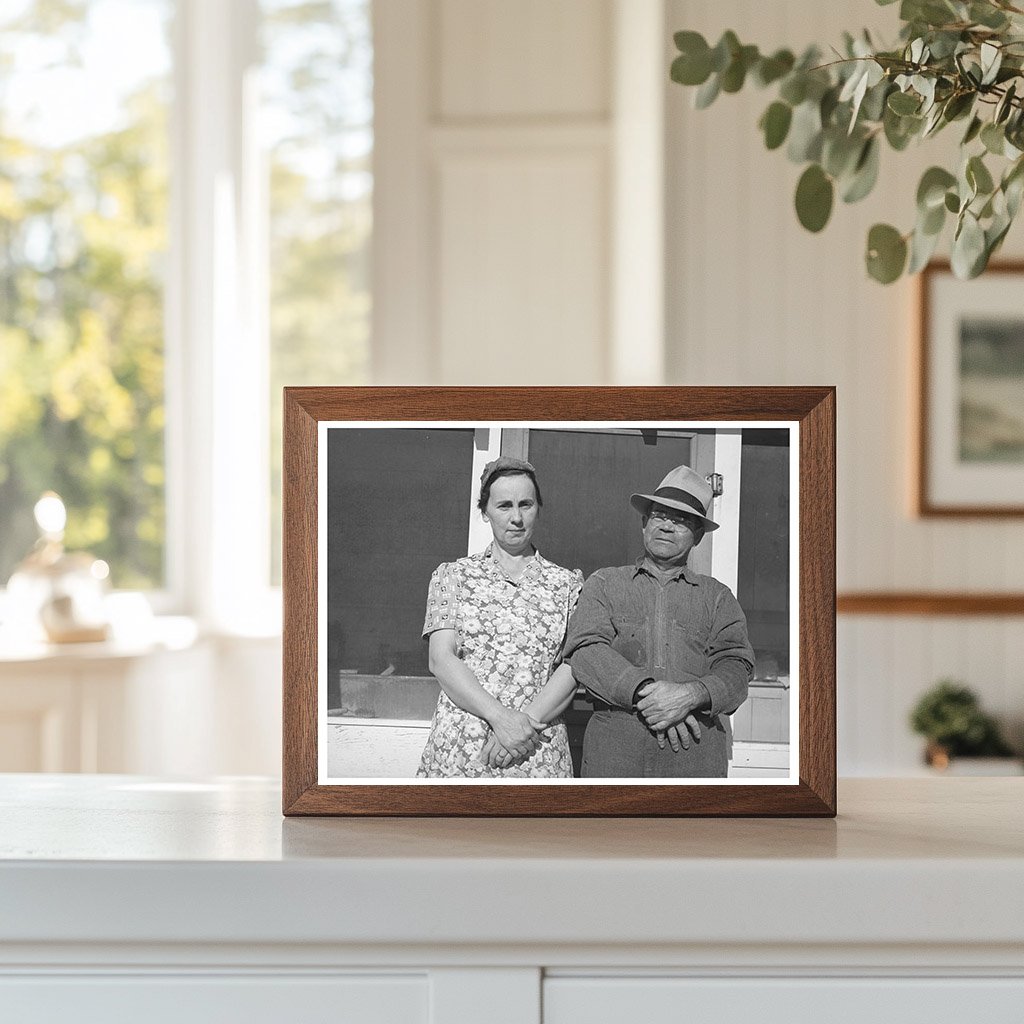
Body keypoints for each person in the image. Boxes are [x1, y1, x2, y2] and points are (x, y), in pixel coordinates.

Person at [563, 464, 754, 778]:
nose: (667, 526)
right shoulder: (605, 583)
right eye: (660, 516)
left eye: (680, 521)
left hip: (695, 758)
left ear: (698, 536)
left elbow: (737, 668)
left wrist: (691, 695)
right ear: (643, 523)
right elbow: (585, 651)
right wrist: (647, 693)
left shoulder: (718, 597)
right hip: (614, 757)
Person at [417, 457, 583, 778]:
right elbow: (441, 659)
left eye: (526, 504)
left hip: (536, 747)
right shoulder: (453, 576)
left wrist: (519, 728)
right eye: (504, 506)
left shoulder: (567, 585)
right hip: (463, 747)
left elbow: (574, 666)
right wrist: (501, 718)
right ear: (485, 512)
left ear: (538, 509)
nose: (517, 518)